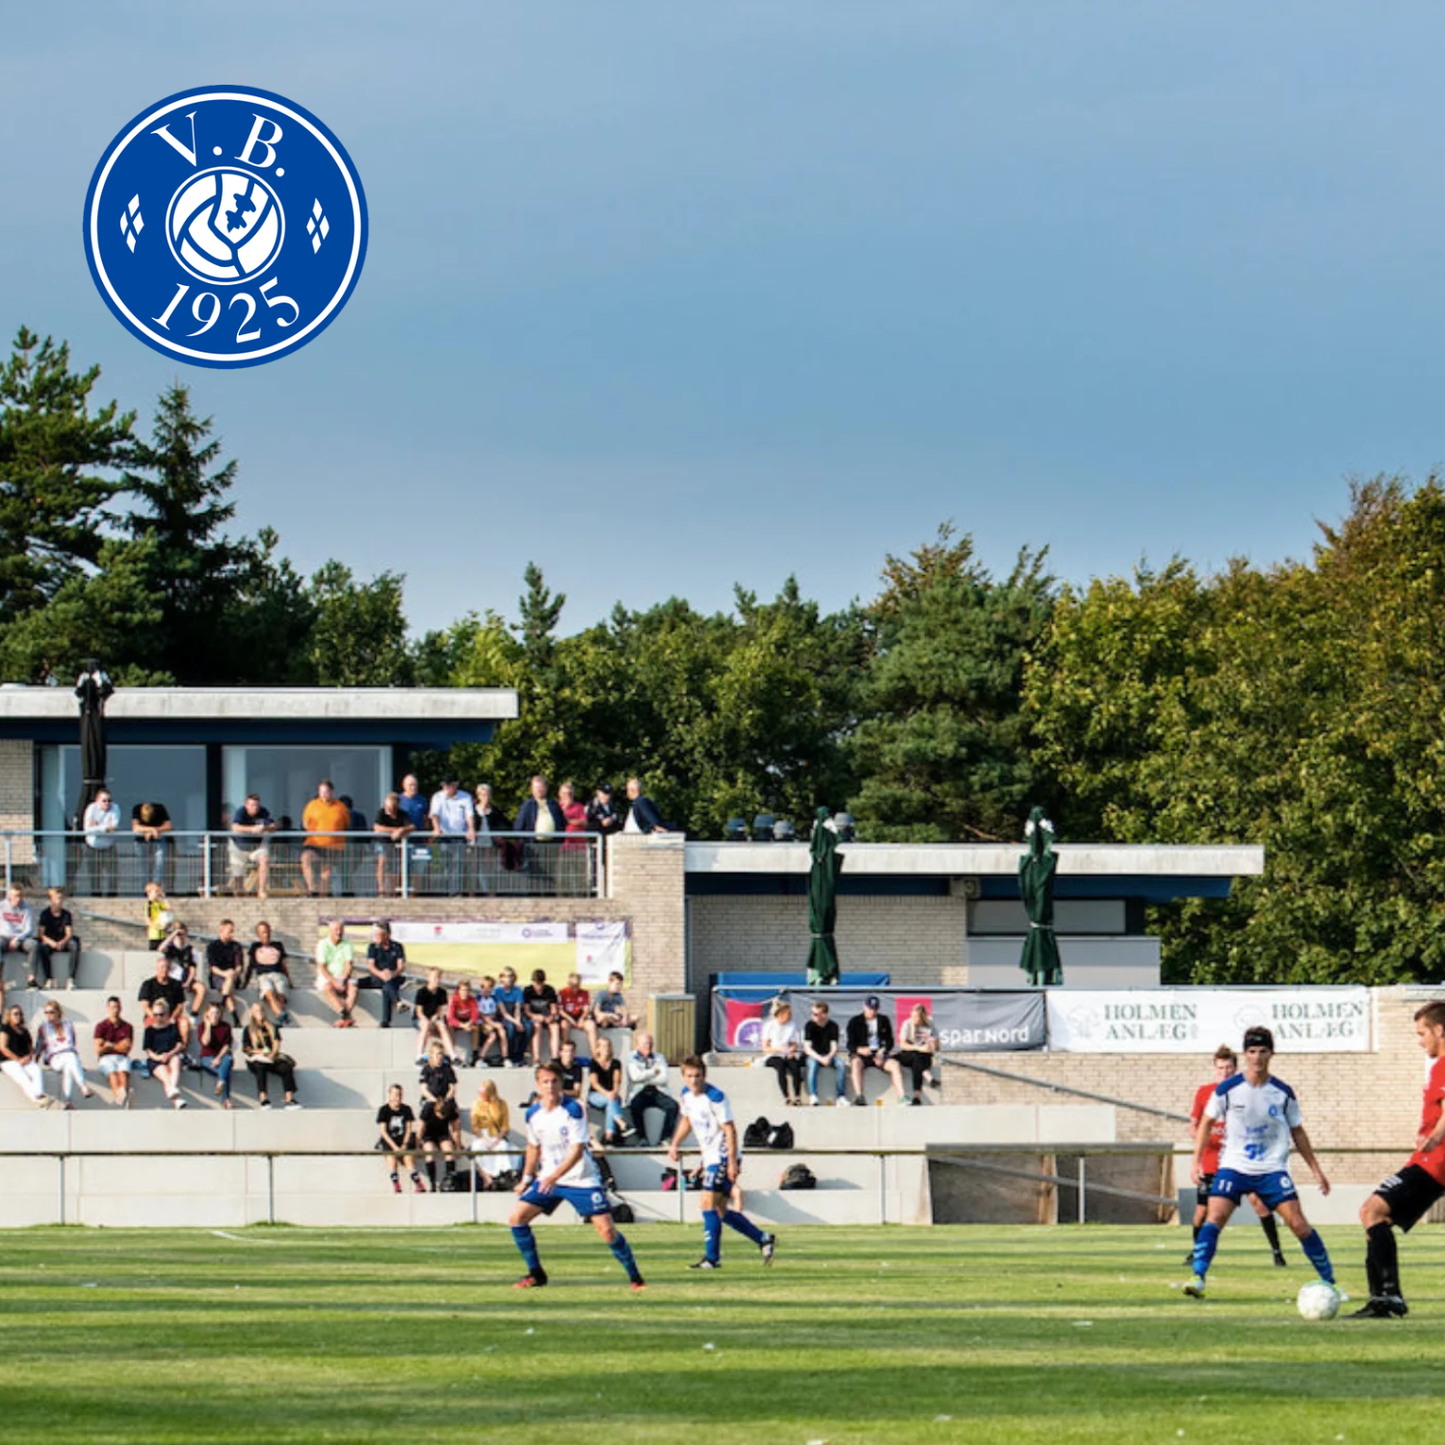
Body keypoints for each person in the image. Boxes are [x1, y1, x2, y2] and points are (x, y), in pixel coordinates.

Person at [1184, 1026, 1335, 1300]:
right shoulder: (1228, 1089)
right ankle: (1198, 1276)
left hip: (1272, 1169)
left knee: (1299, 1224)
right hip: (1234, 1166)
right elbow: (1205, 1123)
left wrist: (1316, 1170)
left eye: (1262, 1051)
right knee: (1214, 1217)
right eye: (1252, 1051)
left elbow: (1297, 1131)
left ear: (1271, 1053)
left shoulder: (1282, 1092)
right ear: (1245, 1054)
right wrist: (1195, 1162)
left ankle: (1331, 1282)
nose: (1257, 1057)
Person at [507, 1061, 645, 1291]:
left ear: (561, 1084)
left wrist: (553, 1177)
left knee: (606, 1230)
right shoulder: (533, 1114)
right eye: (545, 1081)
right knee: (517, 1219)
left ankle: (636, 1278)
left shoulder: (573, 1109)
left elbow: (577, 1150)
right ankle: (536, 1274)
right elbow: (533, 1148)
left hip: (581, 1178)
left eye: (554, 1081)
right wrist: (527, 1179)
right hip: (550, 1179)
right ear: (538, 1084)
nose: (550, 1086)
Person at [1351, 1000, 1445, 1318]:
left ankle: (1388, 1297)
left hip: (1435, 1161)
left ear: (1439, 1030)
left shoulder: (1444, 1065)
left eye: (1421, 1034)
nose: (1420, 1041)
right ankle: (1381, 1298)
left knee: (1372, 1210)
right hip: (1428, 1160)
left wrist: (1433, 1138)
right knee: (1375, 1220)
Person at [1184, 1044, 1286, 1268]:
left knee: (1259, 1203)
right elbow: (1194, 1126)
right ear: (1215, 1069)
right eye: (1220, 1068)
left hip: (1242, 1161)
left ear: (1235, 1068)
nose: (1224, 1073)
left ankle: (1277, 1253)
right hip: (1212, 1162)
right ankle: (1197, 1253)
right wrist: (1204, 1141)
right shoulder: (1204, 1093)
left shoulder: (1246, 1090)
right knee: (1202, 1212)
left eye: (1228, 1068)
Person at [670, 1054, 776, 1270]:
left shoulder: (716, 1097)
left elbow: (729, 1129)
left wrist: (732, 1163)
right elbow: (688, 1120)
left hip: (722, 1156)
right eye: (689, 1076)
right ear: (683, 1077)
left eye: (698, 1075)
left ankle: (712, 1259)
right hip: (710, 1157)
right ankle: (763, 1238)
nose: (694, 1080)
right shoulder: (686, 1096)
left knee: (706, 1204)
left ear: (704, 1075)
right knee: (719, 1210)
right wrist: (675, 1144)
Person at [846, 996, 906, 1106]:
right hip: (862, 1054)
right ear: (864, 1007)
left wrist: (882, 1051)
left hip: (879, 1053)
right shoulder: (855, 1021)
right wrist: (860, 1050)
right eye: (870, 1009)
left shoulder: (883, 1020)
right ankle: (859, 1096)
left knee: (895, 1065)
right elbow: (850, 1044)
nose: (872, 1012)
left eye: (875, 1009)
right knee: (855, 1064)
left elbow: (890, 1041)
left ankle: (902, 1096)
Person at [35, 999, 91, 1108]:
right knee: (70, 1058)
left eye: (51, 1012)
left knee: (69, 1066)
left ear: (58, 1013)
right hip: (54, 1058)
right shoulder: (43, 1027)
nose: (48, 1015)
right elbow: (39, 1045)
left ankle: (67, 1101)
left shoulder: (68, 1024)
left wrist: (77, 1063)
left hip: (69, 1056)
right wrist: (34, 1062)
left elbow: (72, 1044)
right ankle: (82, 1086)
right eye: (46, 1012)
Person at [242, 1004, 301, 1108]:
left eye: (261, 1010)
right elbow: (246, 1049)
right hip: (257, 1058)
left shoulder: (272, 1027)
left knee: (286, 1067)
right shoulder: (248, 1029)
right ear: (252, 1013)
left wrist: (272, 1054)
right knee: (260, 1066)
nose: (259, 1013)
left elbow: (276, 1042)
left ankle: (289, 1098)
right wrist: (260, 1052)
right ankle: (263, 1098)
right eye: (256, 1011)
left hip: (272, 1057)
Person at [300, 779, 351, 898]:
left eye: (326, 792)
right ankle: (312, 889)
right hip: (314, 843)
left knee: (326, 873)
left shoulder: (340, 807)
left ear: (331, 792)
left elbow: (346, 823)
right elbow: (304, 823)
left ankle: (323, 896)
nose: (323, 794)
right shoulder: (312, 805)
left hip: (333, 846)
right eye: (321, 792)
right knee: (306, 858)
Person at [627, 1031, 680, 1145]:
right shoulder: (631, 1057)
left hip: (657, 1090)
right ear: (638, 1045)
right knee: (635, 1106)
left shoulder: (659, 1057)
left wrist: (645, 1077)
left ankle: (665, 1138)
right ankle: (642, 1138)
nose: (649, 1046)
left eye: (650, 1043)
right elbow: (635, 1077)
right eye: (645, 1044)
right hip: (640, 1091)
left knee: (673, 1106)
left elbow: (664, 1078)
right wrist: (653, 1072)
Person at [428, 776, 474, 897]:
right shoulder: (437, 797)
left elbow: (469, 815)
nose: (446, 788)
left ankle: (455, 892)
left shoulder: (465, 797)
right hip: (444, 835)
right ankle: (444, 891)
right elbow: (435, 814)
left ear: (455, 785)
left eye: (449, 786)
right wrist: (437, 828)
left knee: (458, 864)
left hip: (459, 836)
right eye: (444, 786)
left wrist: (471, 829)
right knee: (445, 863)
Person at [470, 1078, 519, 1188]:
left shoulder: (502, 1104)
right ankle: (488, 1178)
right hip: (482, 1135)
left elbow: (505, 1125)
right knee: (477, 1147)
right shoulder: (476, 1104)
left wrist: (498, 1138)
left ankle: (505, 1174)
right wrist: (483, 1139)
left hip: (497, 1134)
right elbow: (475, 1126)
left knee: (503, 1146)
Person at [377, 1083, 425, 1193]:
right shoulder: (384, 1110)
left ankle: (419, 1184)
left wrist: (404, 1144)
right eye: (394, 1095)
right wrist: (394, 1147)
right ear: (389, 1095)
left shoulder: (406, 1109)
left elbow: (408, 1129)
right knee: (391, 1160)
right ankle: (396, 1185)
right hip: (390, 1141)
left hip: (403, 1140)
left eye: (399, 1095)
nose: (397, 1098)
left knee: (408, 1159)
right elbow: (383, 1131)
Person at [138, 953, 191, 1049]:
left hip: (172, 1016)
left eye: (167, 967)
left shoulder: (176, 984)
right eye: (162, 967)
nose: (164, 970)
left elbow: (180, 1005)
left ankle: (182, 1051)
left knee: (184, 1023)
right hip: (154, 1016)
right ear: (157, 968)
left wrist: (173, 1017)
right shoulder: (148, 984)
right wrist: (156, 1017)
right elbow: (145, 1006)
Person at [0, 1002, 49, 1105]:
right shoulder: (5, 1029)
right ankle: (36, 1099)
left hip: (24, 1059)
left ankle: (39, 1093)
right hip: (8, 1061)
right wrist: (17, 1059)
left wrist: (29, 1057)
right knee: (23, 1077)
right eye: (15, 1014)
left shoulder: (24, 1030)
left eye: (20, 1014)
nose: (18, 1016)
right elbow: (3, 1048)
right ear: (10, 1015)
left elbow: (30, 1046)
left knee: (36, 1070)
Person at [142, 997, 188, 1108]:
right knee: (163, 1071)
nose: (158, 1017)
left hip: (171, 1055)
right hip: (156, 1059)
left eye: (161, 1014)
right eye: (155, 1014)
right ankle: (176, 1099)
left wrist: (170, 1054)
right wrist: (158, 1058)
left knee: (176, 1060)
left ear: (167, 1014)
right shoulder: (149, 1030)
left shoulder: (172, 1028)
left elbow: (179, 1044)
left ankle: (172, 1090)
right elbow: (148, 1050)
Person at [228, 792, 275, 898]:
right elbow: (235, 827)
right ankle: (239, 893)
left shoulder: (264, 812)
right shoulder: (240, 812)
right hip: (238, 847)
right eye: (252, 805)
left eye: (257, 805)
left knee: (264, 859)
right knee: (238, 874)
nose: (255, 808)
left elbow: (273, 826)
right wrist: (252, 829)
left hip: (256, 847)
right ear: (246, 805)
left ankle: (261, 890)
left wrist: (264, 828)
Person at [245, 921, 293, 1026]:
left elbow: (284, 965)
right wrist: (244, 984)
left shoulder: (278, 945)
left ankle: (280, 1018)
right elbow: (250, 966)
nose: (265, 935)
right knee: (269, 992)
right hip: (263, 975)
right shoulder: (255, 947)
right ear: (258, 934)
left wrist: (290, 982)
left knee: (281, 995)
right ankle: (281, 1014)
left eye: (266, 932)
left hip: (278, 974)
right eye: (262, 932)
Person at [362, 920, 409, 1028]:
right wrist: (381, 974)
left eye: (379, 934)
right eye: (375, 934)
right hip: (378, 977)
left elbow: (400, 966)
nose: (376, 937)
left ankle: (385, 1021)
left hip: (393, 977)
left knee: (387, 985)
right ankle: (397, 1004)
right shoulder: (373, 947)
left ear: (387, 935)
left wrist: (392, 973)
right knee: (385, 984)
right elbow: (371, 966)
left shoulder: (397, 947)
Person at [760, 1000, 805, 1106]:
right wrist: (778, 1049)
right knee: (780, 1067)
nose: (790, 1016)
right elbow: (765, 1048)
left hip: (786, 1053)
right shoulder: (769, 1026)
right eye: (787, 1013)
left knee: (795, 1067)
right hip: (773, 1055)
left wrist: (791, 1050)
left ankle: (797, 1096)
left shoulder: (792, 1025)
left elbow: (794, 1043)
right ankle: (786, 1096)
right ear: (780, 1014)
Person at [315, 919, 358, 1028]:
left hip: (342, 976)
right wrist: (334, 981)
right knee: (327, 987)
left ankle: (343, 1018)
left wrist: (343, 979)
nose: (339, 932)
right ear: (330, 931)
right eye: (336, 930)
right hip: (327, 976)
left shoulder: (347, 944)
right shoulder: (322, 944)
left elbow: (349, 964)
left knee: (353, 987)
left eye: (341, 930)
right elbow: (322, 967)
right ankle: (346, 1016)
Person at [202, 918, 246, 1026]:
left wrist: (233, 973)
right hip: (218, 977)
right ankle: (235, 1018)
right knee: (228, 981)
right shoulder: (213, 947)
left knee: (230, 977)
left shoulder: (236, 946)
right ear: (221, 930)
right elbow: (213, 968)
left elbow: (239, 966)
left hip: (232, 977)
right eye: (229, 931)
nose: (232, 934)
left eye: (232, 931)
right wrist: (226, 974)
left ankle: (222, 1004)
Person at [803, 1000, 847, 1106]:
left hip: (828, 1055)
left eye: (816, 1014)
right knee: (813, 1065)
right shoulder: (809, 1025)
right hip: (814, 1055)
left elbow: (834, 1046)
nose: (813, 1016)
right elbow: (807, 1048)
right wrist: (820, 1058)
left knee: (840, 1064)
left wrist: (829, 1056)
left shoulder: (833, 1026)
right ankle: (813, 1095)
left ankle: (840, 1096)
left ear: (824, 1014)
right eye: (813, 1013)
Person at [93, 995, 135, 1107]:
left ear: (120, 1008)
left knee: (123, 1074)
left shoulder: (127, 1026)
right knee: (112, 1074)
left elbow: (127, 1048)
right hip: (105, 1058)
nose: (114, 1010)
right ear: (108, 1008)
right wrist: (118, 1045)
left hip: (122, 1057)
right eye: (112, 1007)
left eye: (117, 1007)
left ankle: (120, 1099)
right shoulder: (101, 1026)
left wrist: (109, 1045)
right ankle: (123, 1098)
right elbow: (98, 1050)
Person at [35, 888, 80, 990]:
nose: (59, 901)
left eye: (61, 898)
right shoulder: (45, 914)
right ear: (51, 900)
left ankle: (71, 979)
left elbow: (69, 933)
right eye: (57, 898)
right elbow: (41, 934)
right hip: (50, 942)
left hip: (62, 941)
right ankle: (49, 979)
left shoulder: (66, 914)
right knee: (43, 947)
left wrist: (62, 942)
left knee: (74, 945)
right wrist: (51, 943)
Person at [588, 1035, 629, 1146]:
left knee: (612, 1101)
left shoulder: (616, 1063)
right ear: (598, 1049)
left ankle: (609, 1135)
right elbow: (594, 1084)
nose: (606, 1049)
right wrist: (607, 1094)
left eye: (608, 1046)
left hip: (612, 1095)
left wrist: (614, 1092)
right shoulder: (593, 1063)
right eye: (603, 1046)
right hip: (596, 1095)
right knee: (611, 1100)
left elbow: (617, 1081)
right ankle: (620, 1122)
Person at [192, 1002, 235, 1108]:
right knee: (225, 1072)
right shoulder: (202, 1026)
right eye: (212, 1013)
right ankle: (227, 1100)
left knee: (228, 1059)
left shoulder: (226, 1026)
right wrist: (208, 1026)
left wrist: (218, 1058)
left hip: (222, 1057)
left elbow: (226, 1045)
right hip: (207, 1057)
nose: (214, 1015)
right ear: (207, 1014)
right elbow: (205, 1042)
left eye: (217, 1013)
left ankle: (220, 1082)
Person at [896, 1003, 940, 1107]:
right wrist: (918, 1047)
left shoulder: (929, 1024)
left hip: (923, 1056)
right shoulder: (907, 1023)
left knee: (918, 1061)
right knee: (916, 1056)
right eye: (913, 1016)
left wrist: (931, 1044)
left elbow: (937, 1046)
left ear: (922, 1017)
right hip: (908, 1053)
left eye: (917, 1017)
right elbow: (902, 1045)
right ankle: (927, 1077)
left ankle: (916, 1097)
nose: (914, 1019)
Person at [372, 791, 413, 898]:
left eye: (391, 807)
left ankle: (393, 891)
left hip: (396, 844)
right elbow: (377, 827)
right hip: (383, 842)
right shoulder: (381, 813)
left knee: (395, 867)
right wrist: (395, 830)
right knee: (382, 862)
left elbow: (412, 827)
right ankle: (381, 890)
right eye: (387, 806)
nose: (388, 810)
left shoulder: (403, 814)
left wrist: (402, 830)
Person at [419, 1090, 463, 1190]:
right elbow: (420, 1128)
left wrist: (458, 1146)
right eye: (439, 1115)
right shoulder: (428, 1108)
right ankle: (432, 1183)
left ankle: (450, 1180)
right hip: (428, 1134)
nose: (441, 1118)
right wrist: (418, 1144)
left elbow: (456, 1129)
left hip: (442, 1134)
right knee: (429, 1152)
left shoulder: (450, 1109)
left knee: (448, 1151)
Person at [81, 787, 120, 896]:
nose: (107, 803)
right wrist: (104, 828)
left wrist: (97, 825)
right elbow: (87, 829)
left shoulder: (115, 808)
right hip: (93, 847)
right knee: (94, 874)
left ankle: (112, 897)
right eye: (104, 800)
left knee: (112, 874)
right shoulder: (91, 809)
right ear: (97, 801)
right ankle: (96, 896)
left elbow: (113, 827)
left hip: (109, 847)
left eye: (109, 800)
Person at [413, 966, 455, 1063]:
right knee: (425, 1025)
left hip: (434, 1018)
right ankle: (419, 1055)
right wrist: (427, 1021)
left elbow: (440, 1010)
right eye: (435, 977)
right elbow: (419, 1012)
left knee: (442, 1026)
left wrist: (434, 1018)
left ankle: (453, 1055)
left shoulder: (442, 992)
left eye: (439, 977)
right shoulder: (421, 992)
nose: (437, 980)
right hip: (421, 1019)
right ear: (428, 978)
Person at [0, 885, 37, 992]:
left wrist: (18, 938)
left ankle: (31, 979)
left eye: (20, 896)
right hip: (3, 937)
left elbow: (29, 929)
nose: (18, 899)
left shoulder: (26, 908)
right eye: (15, 896)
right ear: (9, 896)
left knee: (33, 945)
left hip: (20, 939)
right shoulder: (1, 906)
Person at [131, 801, 174, 890]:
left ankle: (156, 888)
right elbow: (135, 827)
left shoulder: (160, 808)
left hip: (159, 839)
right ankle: (145, 890)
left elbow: (169, 826)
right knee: (143, 866)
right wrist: (151, 830)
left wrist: (156, 830)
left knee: (159, 863)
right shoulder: (137, 808)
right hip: (142, 841)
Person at [523, 968, 562, 1064]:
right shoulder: (528, 991)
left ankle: (555, 1057)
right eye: (536, 984)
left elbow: (554, 1009)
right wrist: (535, 1016)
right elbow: (526, 1010)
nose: (539, 987)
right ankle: (536, 1057)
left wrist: (551, 1017)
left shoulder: (549, 990)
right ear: (533, 982)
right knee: (537, 1027)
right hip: (534, 1018)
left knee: (555, 1027)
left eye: (541, 983)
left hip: (547, 1016)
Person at [493, 967, 527, 1067]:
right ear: (501, 978)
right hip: (504, 1016)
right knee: (510, 1028)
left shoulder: (517, 991)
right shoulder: (498, 991)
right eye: (506, 977)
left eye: (511, 976)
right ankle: (509, 1055)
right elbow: (503, 1012)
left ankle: (519, 1055)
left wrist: (518, 1021)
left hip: (514, 1015)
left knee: (528, 1027)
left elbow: (517, 1008)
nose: (509, 979)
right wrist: (516, 1022)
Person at [559, 971, 598, 1054]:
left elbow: (586, 1009)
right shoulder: (562, 993)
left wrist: (582, 1018)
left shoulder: (584, 993)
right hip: (567, 1017)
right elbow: (560, 1010)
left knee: (591, 1025)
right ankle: (565, 1053)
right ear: (568, 983)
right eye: (572, 985)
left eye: (577, 985)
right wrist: (570, 1019)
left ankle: (595, 1054)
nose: (574, 988)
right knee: (564, 1026)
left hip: (580, 1016)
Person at [447, 977, 482, 1066]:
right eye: (462, 990)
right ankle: (451, 1053)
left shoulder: (472, 1000)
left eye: (467, 990)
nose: (464, 993)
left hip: (467, 1020)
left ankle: (474, 1053)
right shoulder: (454, 1000)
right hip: (457, 1021)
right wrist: (462, 1025)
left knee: (476, 1027)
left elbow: (475, 1015)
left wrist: (469, 1023)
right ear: (458, 990)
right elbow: (450, 1018)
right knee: (449, 1027)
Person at [474, 975, 508, 1065]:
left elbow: (494, 1011)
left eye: (490, 988)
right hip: (482, 1021)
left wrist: (493, 1020)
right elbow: (480, 1014)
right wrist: (490, 1022)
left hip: (492, 1020)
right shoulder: (478, 998)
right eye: (485, 987)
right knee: (492, 1035)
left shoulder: (493, 998)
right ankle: (480, 1058)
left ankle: (505, 1057)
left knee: (502, 1032)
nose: (487, 990)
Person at [419, 1038, 458, 1107]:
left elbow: (452, 1088)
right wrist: (434, 1100)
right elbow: (424, 1089)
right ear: (431, 1055)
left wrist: (446, 1099)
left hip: (445, 1099)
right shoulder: (426, 1069)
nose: (439, 1057)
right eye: (437, 1054)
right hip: (430, 1099)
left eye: (441, 1054)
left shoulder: (448, 1069)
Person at [142, 881, 173, 951]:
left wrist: (164, 898)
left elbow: (169, 909)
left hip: (163, 935)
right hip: (154, 936)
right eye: (156, 891)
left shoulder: (159, 903)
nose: (158, 894)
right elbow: (148, 921)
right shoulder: (149, 904)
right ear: (149, 892)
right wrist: (158, 927)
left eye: (159, 891)